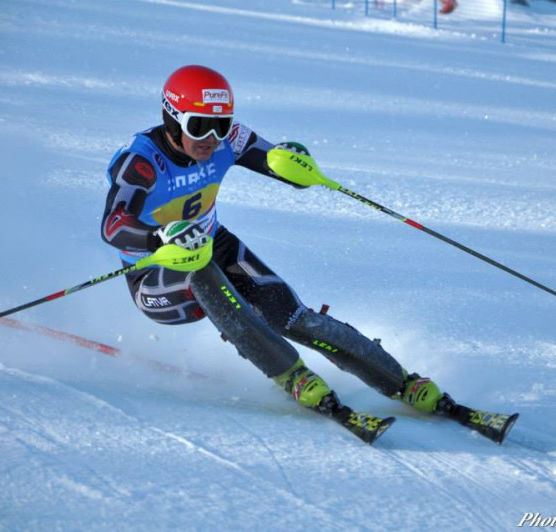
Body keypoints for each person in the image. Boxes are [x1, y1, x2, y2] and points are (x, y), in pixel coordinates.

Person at [101, 65, 516, 443]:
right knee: (201, 269)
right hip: (157, 276)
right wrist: (159, 238)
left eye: (220, 125)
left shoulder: (228, 139)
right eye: (200, 127)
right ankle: (292, 374)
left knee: (290, 314)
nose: (212, 139)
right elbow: (113, 226)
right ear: (172, 118)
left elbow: (273, 160)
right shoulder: (141, 162)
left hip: (212, 243)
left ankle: (402, 381)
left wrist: (294, 165)